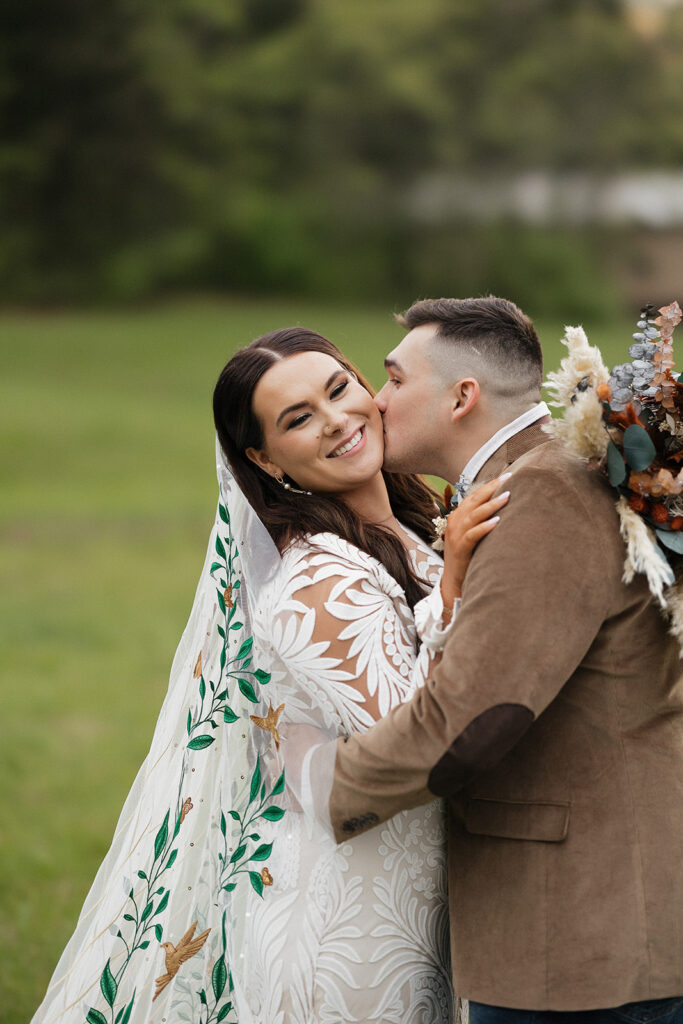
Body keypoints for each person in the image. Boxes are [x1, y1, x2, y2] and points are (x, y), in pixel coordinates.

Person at [31, 325, 507, 1024]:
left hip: (416, 900)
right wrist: (457, 582)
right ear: (264, 458)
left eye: (338, 389)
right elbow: (416, 737)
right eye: (297, 419)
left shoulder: (416, 523)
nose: (336, 420)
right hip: (350, 933)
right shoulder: (315, 580)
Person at [321, 296, 683, 1024]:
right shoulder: (540, 473)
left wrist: (320, 790)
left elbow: (472, 718)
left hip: (582, 938)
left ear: (462, 397)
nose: (374, 403)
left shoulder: (539, 494)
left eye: (393, 381)